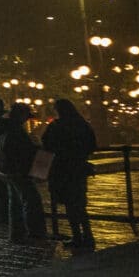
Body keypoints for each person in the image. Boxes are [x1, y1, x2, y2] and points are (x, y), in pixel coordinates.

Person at [41, 97, 98, 253]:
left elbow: (46, 143)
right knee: (79, 203)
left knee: (69, 205)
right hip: (78, 169)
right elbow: (92, 145)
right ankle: (88, 235)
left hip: (61, 170)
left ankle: (77, 236)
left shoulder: (56, 126)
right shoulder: (83, 125)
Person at [0, 101, 42, 242]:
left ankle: (16, 234)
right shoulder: (16, 131)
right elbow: (23, 151)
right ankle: (34, 232)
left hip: (7, 170)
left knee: (14, 202)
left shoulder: (4, 128)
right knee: (31, 200)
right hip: (18, 171)